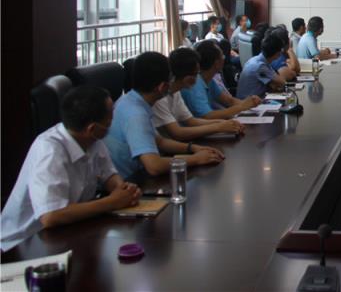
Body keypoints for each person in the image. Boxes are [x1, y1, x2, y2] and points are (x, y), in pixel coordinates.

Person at [1, 86, 142, 251]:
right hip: (23, 244)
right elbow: (51, 216)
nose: (111, 124)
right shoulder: (50, 150)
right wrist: (112, 202)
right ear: (92, 128)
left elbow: (109, 175)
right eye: (109, 122)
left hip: (65, 232)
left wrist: (124, 190)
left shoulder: (92, 140)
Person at [104, 52, 225, 180]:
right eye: (171, 79)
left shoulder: (131, 100)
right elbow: (154, 166)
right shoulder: (136, 114)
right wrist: (196, 159)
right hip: (130, 181)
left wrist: (193, 148)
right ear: (162, 87)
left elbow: (160, 141)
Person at [152, 48, 244, 141]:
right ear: (188, 79)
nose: (198, 78)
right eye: (197, 74)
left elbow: (191, 121)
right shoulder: (159, 97)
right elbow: (177, 133)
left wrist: (224, 123)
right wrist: (218, 127)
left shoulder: (176, 92)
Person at [182, 41, 261, 120]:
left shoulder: (209, 80)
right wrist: (241, 107)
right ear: (216, 63)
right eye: (222, 55)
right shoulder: (195, 84)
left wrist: (251, 103)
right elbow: (208, 116)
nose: (224, 57)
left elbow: (229, 101)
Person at [237, 34, 287, 98]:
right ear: (278, 53)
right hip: (248, 102)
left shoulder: (254, 59)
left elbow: (274, 84)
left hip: (248, 99)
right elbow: (282, 82)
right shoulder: (260, 66)